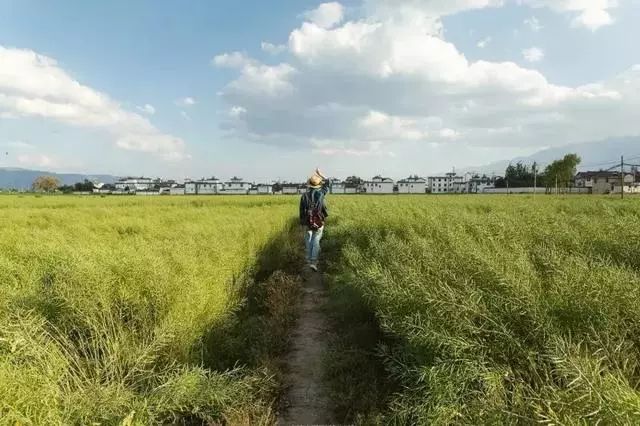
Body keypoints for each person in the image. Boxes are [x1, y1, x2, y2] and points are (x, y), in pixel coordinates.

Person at [299, 168, 329, 272]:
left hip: (307, 220)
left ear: (309, 184)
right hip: (319, 220)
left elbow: (301, 210)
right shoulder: (321, 194)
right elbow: (329, 182)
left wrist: (302, 222)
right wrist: (320, 174)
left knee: (308, 239)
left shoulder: (304, 196)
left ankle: (308, 260)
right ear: (318, 185)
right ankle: (313, 261)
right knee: (316, 239)